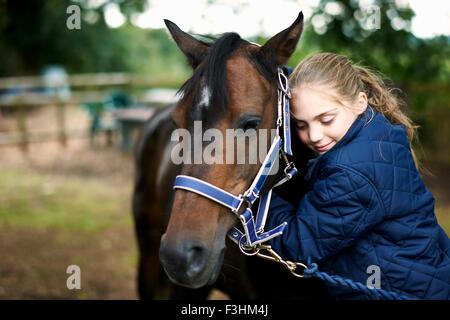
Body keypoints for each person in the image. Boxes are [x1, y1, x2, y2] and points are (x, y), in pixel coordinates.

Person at [266, 53, 450, 299]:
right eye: (301, 125)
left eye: (326, 119)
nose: (314, 135)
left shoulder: (351, 173)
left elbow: (297, 245)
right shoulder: (377, 133)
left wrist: (258, 195)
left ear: (360, 102)